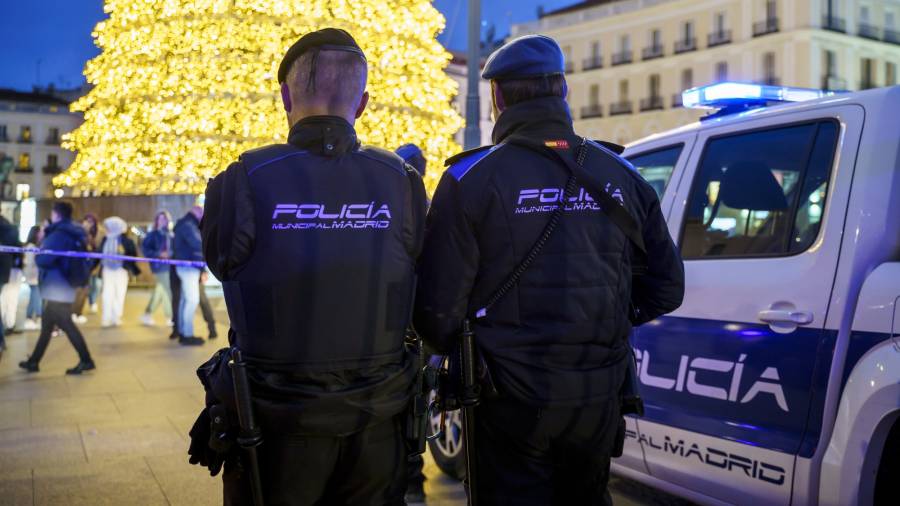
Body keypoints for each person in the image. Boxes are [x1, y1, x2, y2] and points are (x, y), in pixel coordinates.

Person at [413, 35, 685, 505]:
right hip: (598, 393)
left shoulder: (469, 179)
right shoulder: (621, 175)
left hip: (506, 400)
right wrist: (604, 318)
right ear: (564, 92)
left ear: (496, 98)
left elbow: (437, 315)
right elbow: (667, 287)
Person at [195, 28, 427, 505]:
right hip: (378, 424)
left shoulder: (241, 179)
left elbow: (223, 265)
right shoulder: (402, 182)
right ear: (362, 103)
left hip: (275, 429)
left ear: (285, 96)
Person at [19, 201, 95, 375]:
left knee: (66, 324)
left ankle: (86, 359)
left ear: (57, 214)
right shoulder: (72, 231)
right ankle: (34, 361)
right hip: (64, 283)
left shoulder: (58, 233)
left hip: (57, 285)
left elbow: (43, 259)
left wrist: (43, 244)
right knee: (47, 325)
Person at [396, 143, 428, 504]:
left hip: (394, 332)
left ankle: (410, 481)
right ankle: (413, 481)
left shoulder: (388, 208)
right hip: (416, 332)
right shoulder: (427, 209)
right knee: (414, 410)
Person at [98, 217, 140, 328]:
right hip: (107, 270)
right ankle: (106, 318)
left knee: (120, 294)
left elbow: (133, 255)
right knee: (107, 294)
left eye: (108, 227)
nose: (106, 229)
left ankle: (116, 317)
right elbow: (98, 254)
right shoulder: (105, 239)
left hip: (121, 270)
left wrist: (124, 257)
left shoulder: (126, 240)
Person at [173, 206, 204, 346]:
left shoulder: (184, 223)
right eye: (202, 214)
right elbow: (198, 243)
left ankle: (182, 331)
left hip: (186, 266)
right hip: (189, 266)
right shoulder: (188, 224)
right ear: (197, 213)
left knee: (185, 300)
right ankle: (187, 334)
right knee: (192, 300)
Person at [141, 211, 174, 327]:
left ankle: (147, 314)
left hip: (171, 266)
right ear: (156, 221)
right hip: (159, 266)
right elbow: (145, 250)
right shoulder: (152, 234)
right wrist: (158, 253)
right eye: (159, 219)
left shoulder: (170, 234)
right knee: (169, 291)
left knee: (160, 290)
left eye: (164, 219)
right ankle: (170, 317)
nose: (162, 221)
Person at [72, 213, 99, 322]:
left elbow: (95, 253)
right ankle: (73, 313)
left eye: (91, 222)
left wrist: (91, 266)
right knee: (77, 291)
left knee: (85, 291)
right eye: (87, 221)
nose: (89, 224)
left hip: (87, 269)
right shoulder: (77, 234)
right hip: (77, 268)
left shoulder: (92, 237)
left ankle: (78, 313)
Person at [0, 216, 22, 335]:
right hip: (8, 269)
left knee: (6, 299)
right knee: (8, 299)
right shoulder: (10, 227)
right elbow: (17, 249)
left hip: (7, 269)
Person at [23, 225, 44, 331]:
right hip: (33, 276)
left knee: (33, 297)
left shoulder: (33, 246)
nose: (42, 234)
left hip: (33, 276)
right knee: (36, 297)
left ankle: (29, 317)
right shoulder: (31, 247)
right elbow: (31, 263)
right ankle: (39, 317)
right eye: (40, 232)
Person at [197, 270, 217, 340]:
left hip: (194, 274)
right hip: (190, 273)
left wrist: (203, 272)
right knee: (204, 304)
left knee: (204, 304)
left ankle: (212, 330)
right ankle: (212, 330)